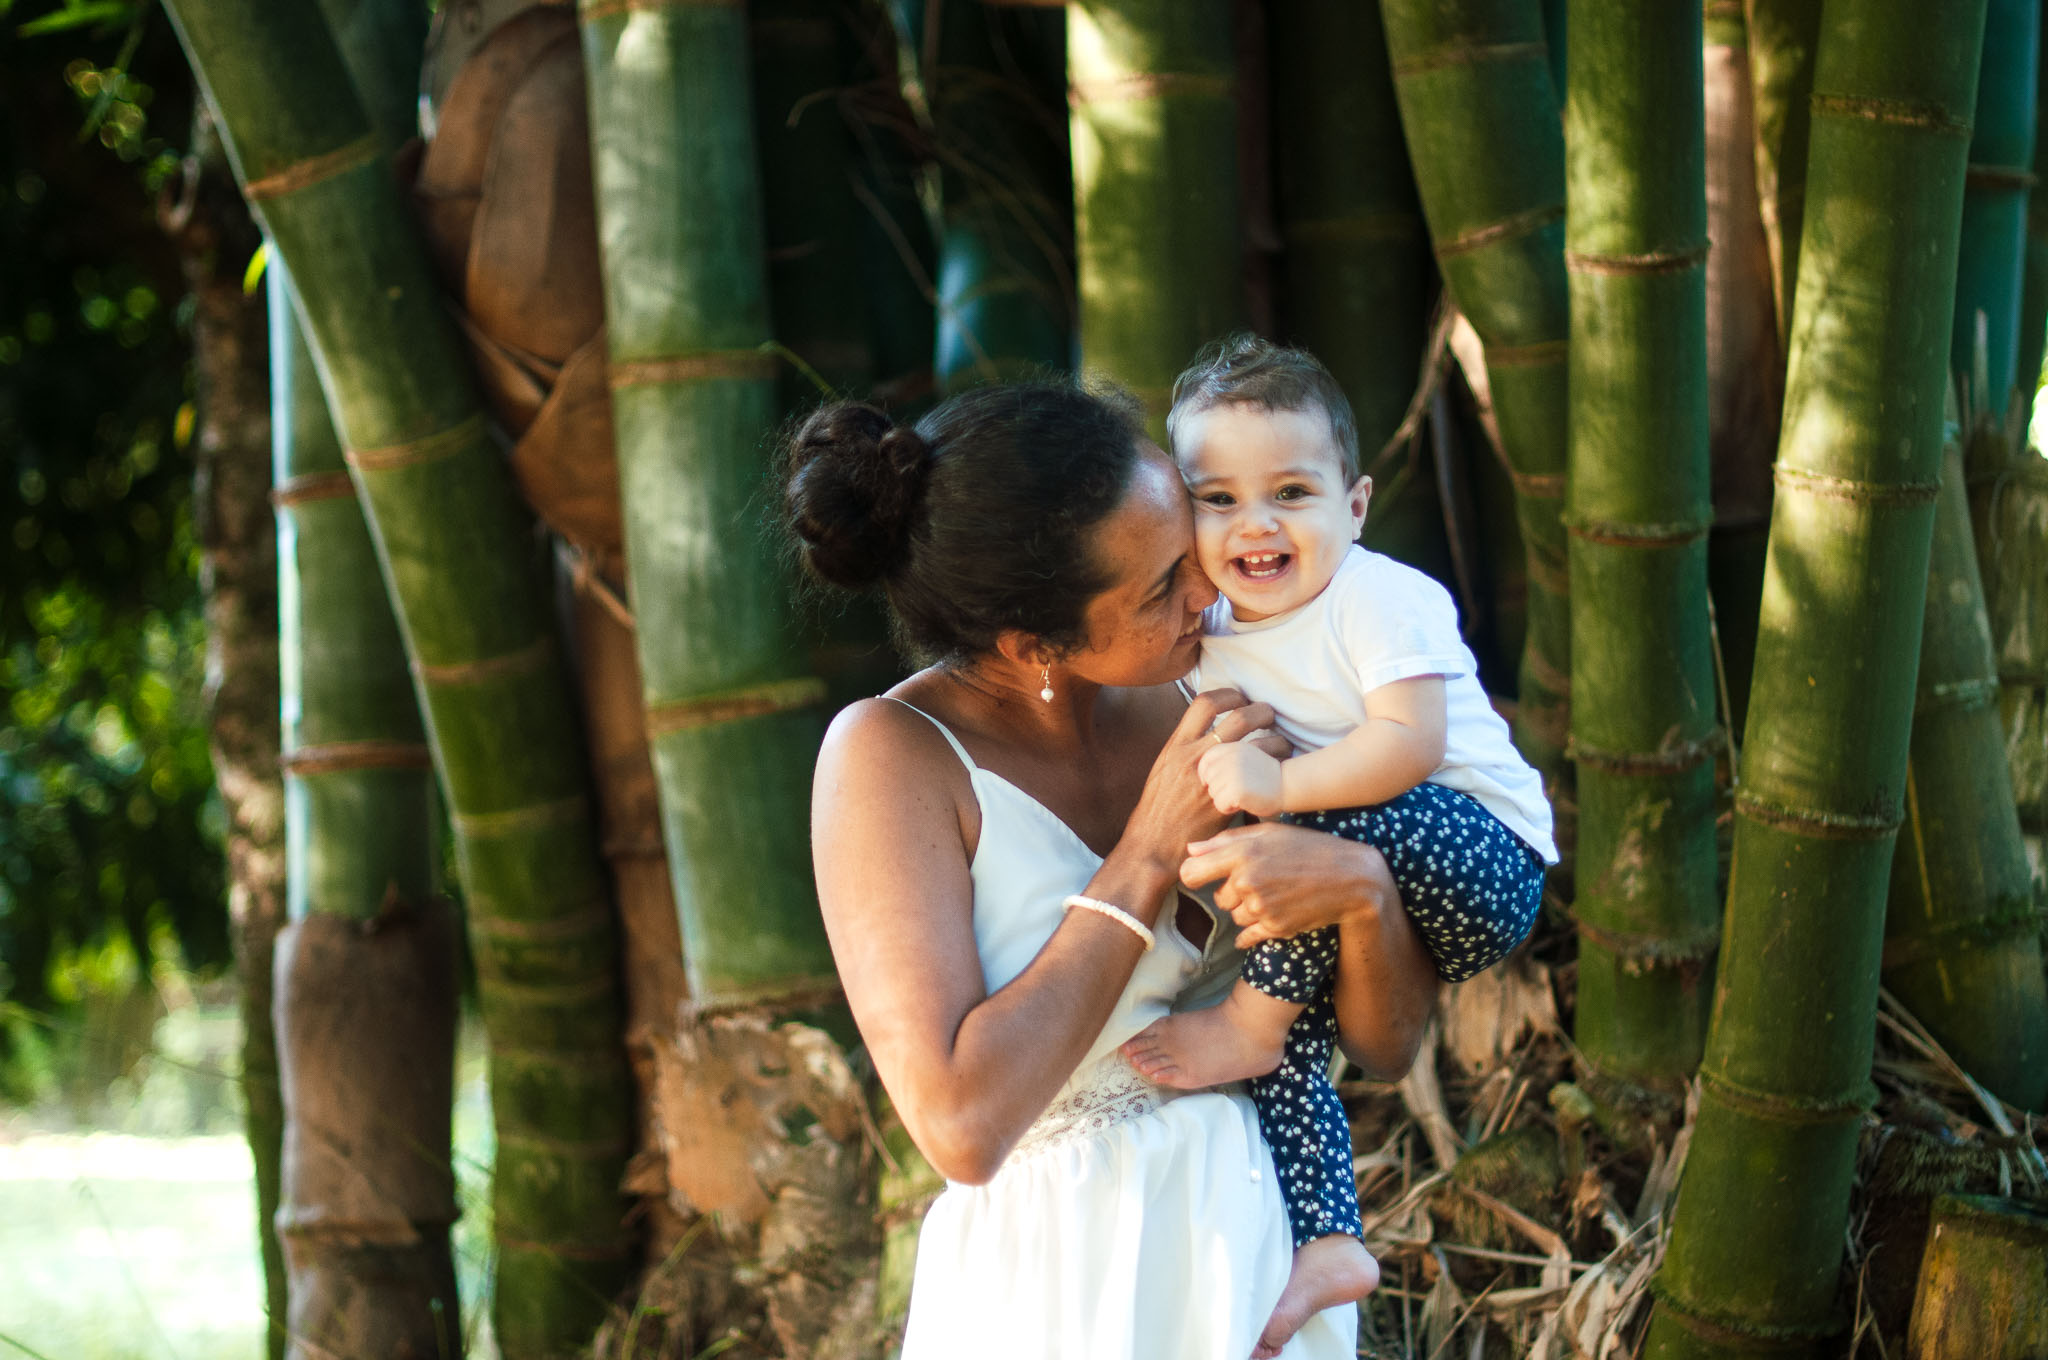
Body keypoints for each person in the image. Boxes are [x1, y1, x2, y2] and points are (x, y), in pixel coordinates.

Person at [783, 379, 1440, 1360]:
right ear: (1032, 645)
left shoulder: (1217, 679)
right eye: (1160, 587)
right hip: (1060, 1290)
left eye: (1191, 548)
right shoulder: (892, 755)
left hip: (1265, 1264)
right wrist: (1144, 852)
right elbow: (960, 1126)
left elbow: (1387, 1045)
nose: (1209, 593)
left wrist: (1362, 886)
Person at [1121, 336, 1558, 1326]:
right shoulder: (1205, 633)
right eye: (1217, 498)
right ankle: (1328, 1242)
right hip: (1351, 891)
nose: (1256, 522)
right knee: (1279, 1061)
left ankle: (1249, 1018)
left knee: (1291, 877)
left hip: (1479, 860)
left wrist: (1273, 787)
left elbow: (1407, 745)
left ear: (1352, 506)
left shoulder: (1378, 595)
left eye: (1289, 491)